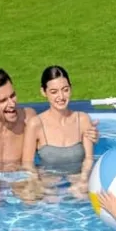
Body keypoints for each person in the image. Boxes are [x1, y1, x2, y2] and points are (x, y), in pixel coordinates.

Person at [0, 68, 99, 207]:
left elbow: (55, 137)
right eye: (3, 101)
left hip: (20, 178)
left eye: (12, 96)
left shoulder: (28, 118)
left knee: (39, 200)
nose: (11, 104)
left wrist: (89, 135)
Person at [20, 66, 95, 201]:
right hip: (48, 178)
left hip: (77, 176)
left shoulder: (83, 119)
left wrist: (83, 179)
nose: (61, 97)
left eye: (65, 90)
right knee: (31, 198)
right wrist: (36, 182)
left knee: (83, 195)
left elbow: (89, 158)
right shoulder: (35, 124)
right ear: (44, 92)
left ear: (70, 88)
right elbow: (27, 163)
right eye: (54, 92)